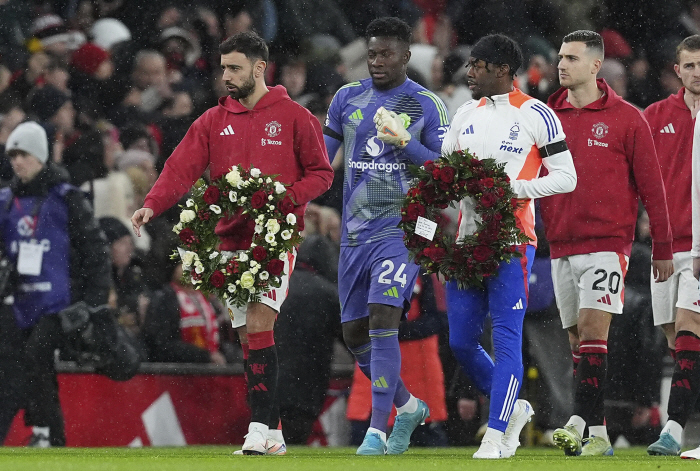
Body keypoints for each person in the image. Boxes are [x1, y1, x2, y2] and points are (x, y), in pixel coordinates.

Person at [130, 31, 333, 455]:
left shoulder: (295, 117)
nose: (226, 75)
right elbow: (180, 167)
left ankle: (257, 428)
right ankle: (273, 431)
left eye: (234, 67)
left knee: (259, 321)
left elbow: (321, 173)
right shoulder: (211, 121)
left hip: (274, 238)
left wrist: (287, 198)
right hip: (228, 240)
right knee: (247, 336)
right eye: (223, 67)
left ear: (259, 68)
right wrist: (152, 204)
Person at [442, 33, 577, 459]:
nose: (469, 72)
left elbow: (566, 177)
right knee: (462, 342)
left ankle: (498, 433)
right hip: (466, 243)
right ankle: (515, 407)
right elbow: (443, 175)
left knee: (506, 338)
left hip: (512, 241)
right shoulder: (464, 113)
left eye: (477, 65)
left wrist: (512, 188)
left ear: (502, 70)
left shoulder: (537, 114)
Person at [540, 30, 674, 457]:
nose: (561, 64)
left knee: (596, 331)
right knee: (579, 342)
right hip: (559, 244)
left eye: (572, 58)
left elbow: (653, 188)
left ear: (596, 66)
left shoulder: (627, 118)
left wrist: (664, 246)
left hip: (607, 243)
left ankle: (576, 422)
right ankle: (597, 436)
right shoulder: (544, 116)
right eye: (560, 56)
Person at [323, 16, 449, 455]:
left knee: (382, 317)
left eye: (386, 54)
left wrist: (405, 145)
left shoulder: (427, 105)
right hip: (354, 235)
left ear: (406, 56)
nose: (376, 62)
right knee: (354, 334)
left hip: (402, 229)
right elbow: (324, 164)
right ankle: (408, 404)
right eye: (371, 53)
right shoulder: (346, 99)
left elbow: (446, 172)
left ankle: (378, 430)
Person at [0, 121, 111, 446]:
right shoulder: (5, 201)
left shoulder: (67, 198)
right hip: (16, 302)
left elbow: (95, 253)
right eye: (13, 154)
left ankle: (46, 432)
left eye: (23, 154)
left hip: (60, 305)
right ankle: (49, 435)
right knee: (21, 367)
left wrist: (93, 303)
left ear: (40, 156)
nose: (16, 161)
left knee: (33, 359)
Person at [645, 35, 700, 458]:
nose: (697, 72)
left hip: (699, 248)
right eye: (691, 65)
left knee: (688, 333)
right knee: (675, 342)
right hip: (666, 246)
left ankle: (674, 429)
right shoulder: (655, 116)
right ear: (677, 70)